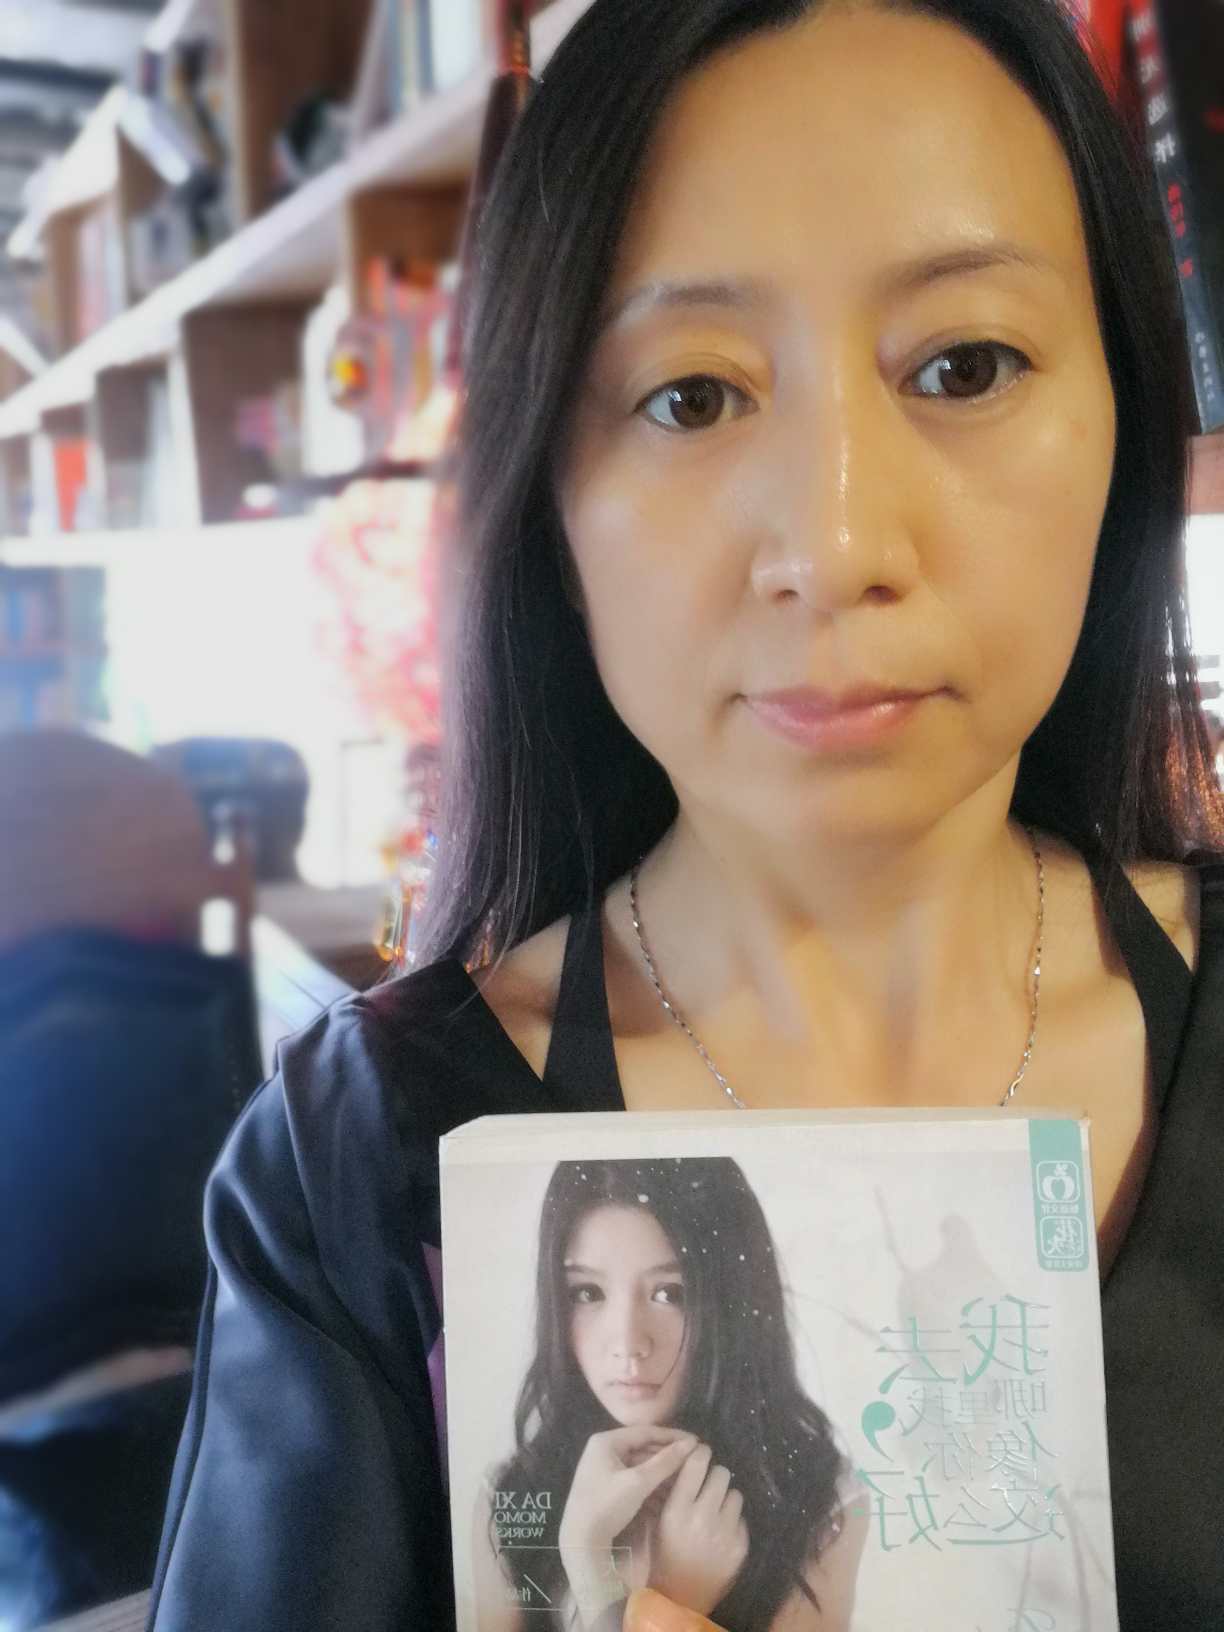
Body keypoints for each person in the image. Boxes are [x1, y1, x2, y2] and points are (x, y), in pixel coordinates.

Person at [145, 0, 1224, 1628]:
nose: (834, 545)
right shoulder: (360, 1174)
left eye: (963, 366)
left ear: (1127, 422)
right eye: (692, 397)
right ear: (549, 494)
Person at [471, 1159, 866, 1631]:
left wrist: (638, 1600)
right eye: (587, 1292)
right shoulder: (512, 1495)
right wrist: (666, 1596)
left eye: (670, 1293)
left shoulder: (820, 1502)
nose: (627, 1343)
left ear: (733, 1301)